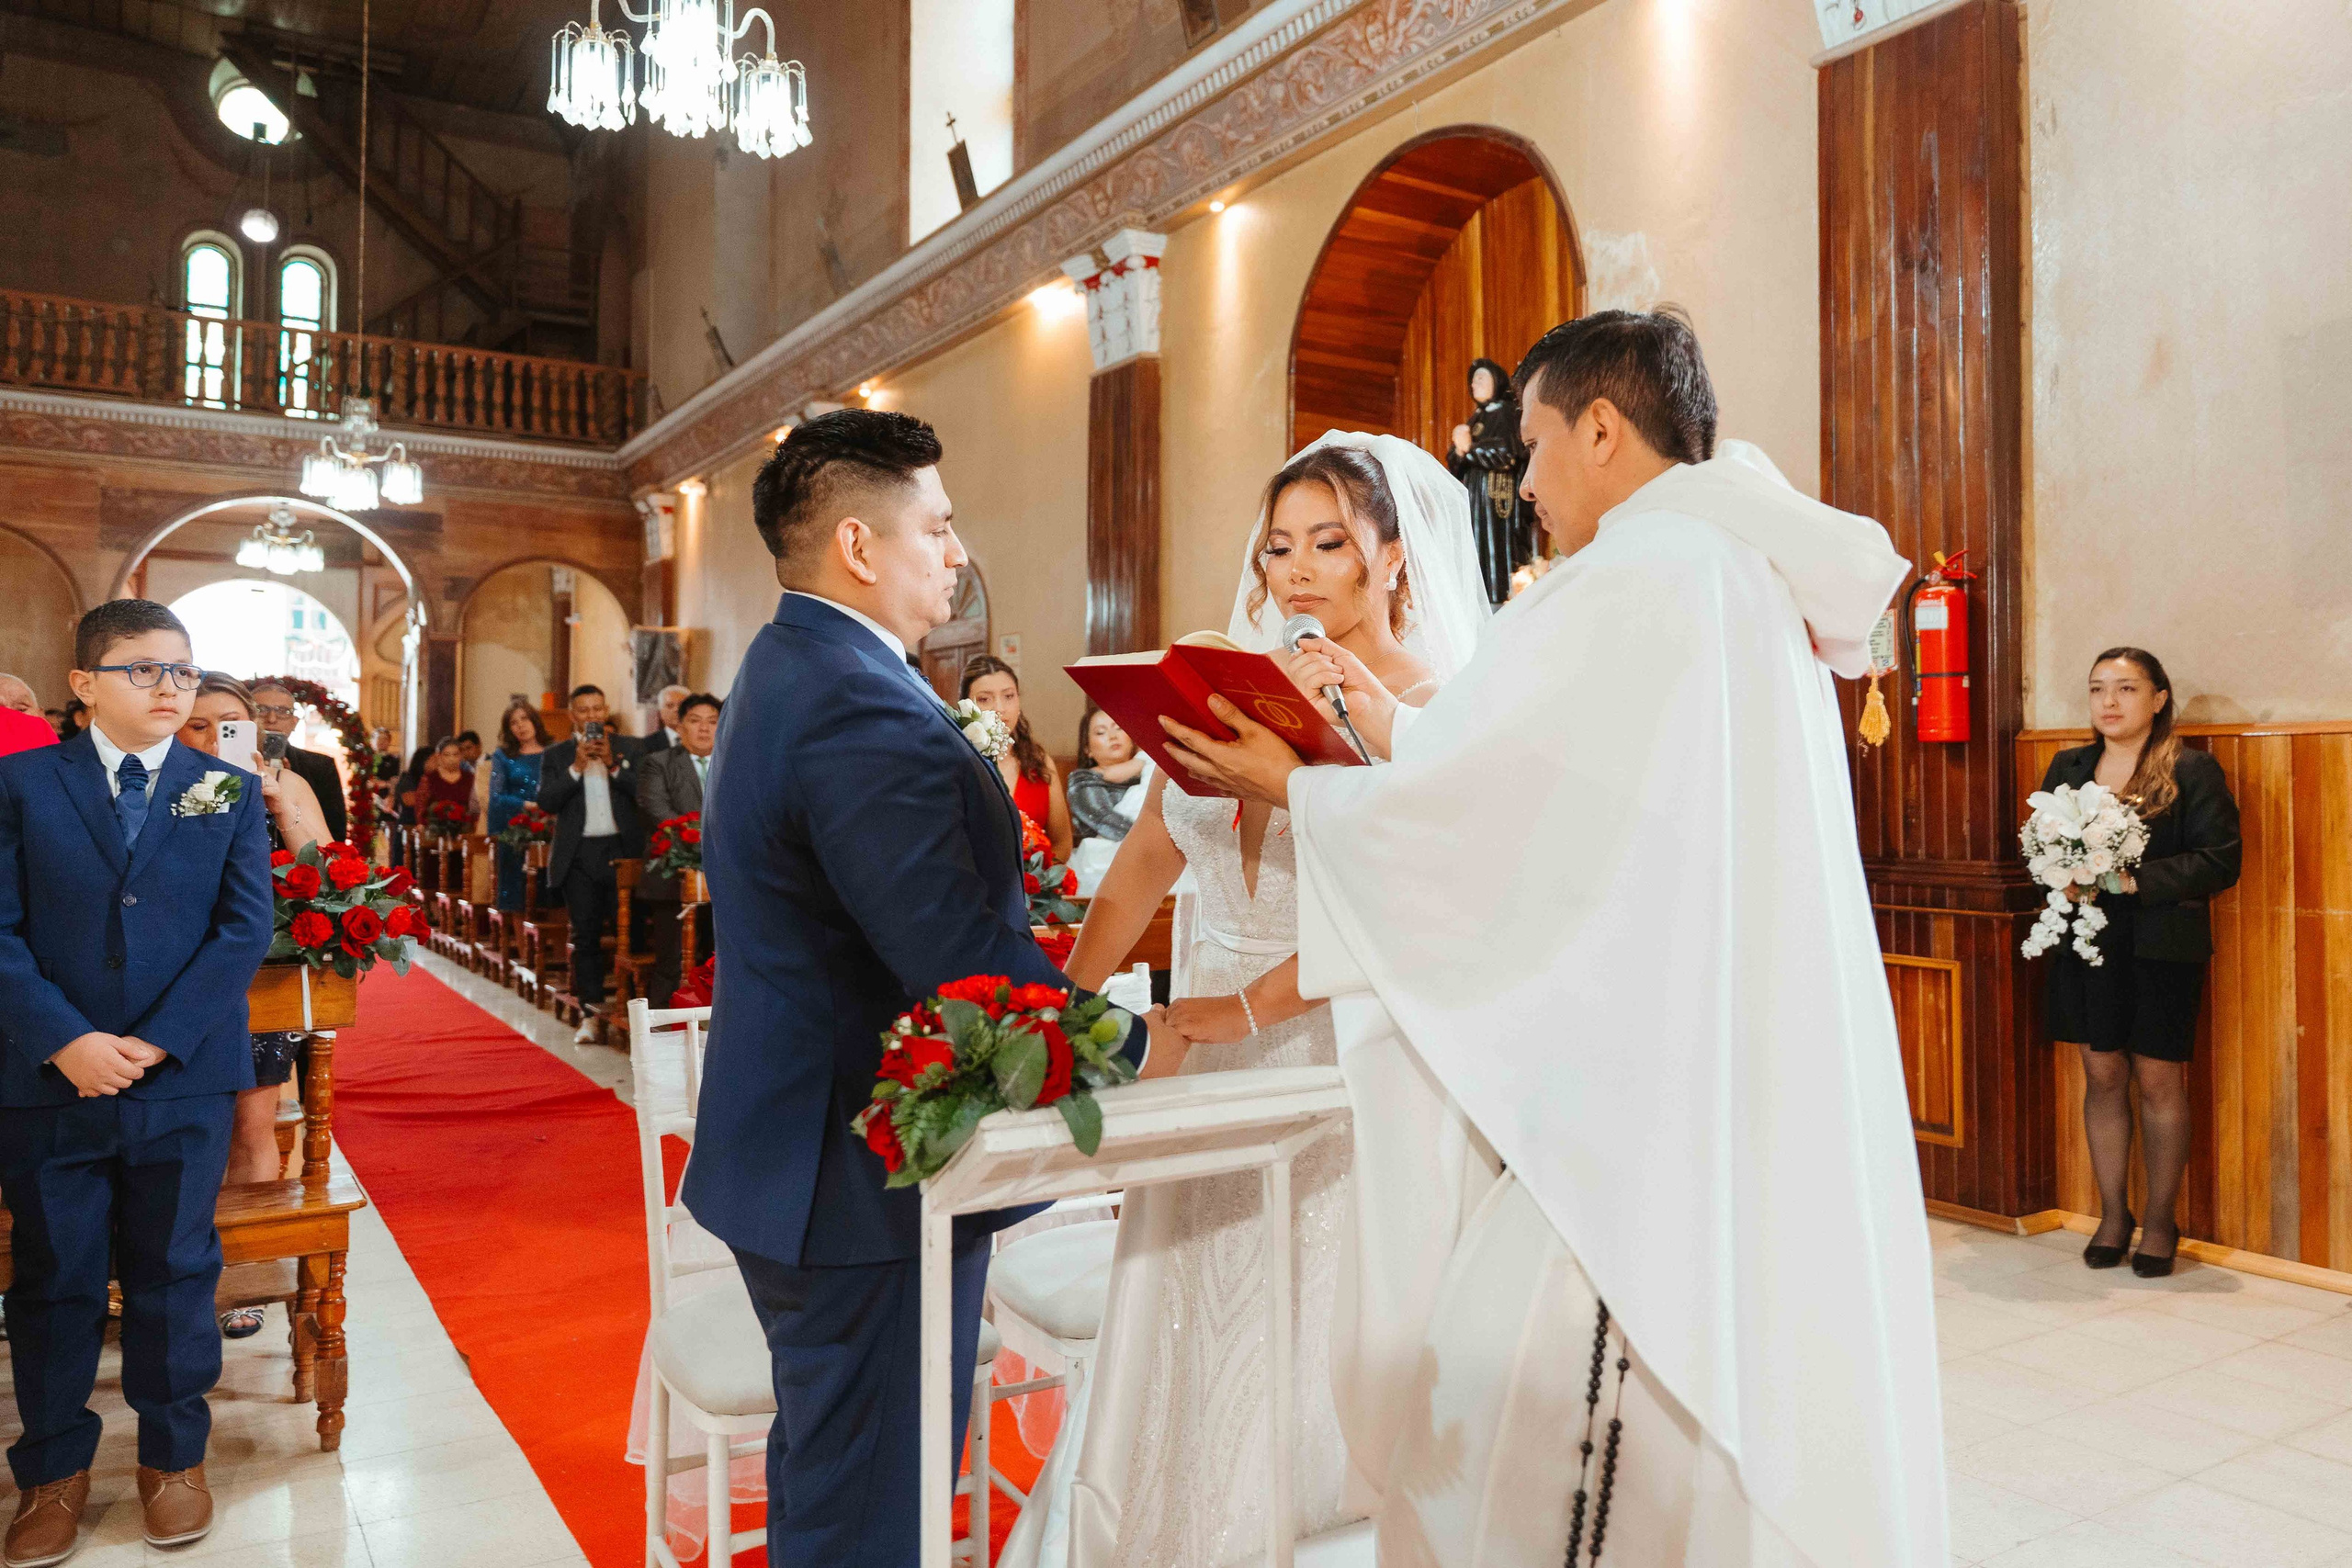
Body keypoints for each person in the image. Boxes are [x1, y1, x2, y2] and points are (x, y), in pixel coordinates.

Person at [1164, 310, 1946, 1565]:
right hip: (1724, 1057)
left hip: (1634, 1103)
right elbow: (1569, 800)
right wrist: (1395, 733)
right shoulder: (1731, 568)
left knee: (1515, 1416)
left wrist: (1294, 788)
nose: (1519, 484)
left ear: (1599, 425)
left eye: (1529, 445)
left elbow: (1490, 830)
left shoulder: (1634, 576)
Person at [677, 408, 1152, 1568]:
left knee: (835, 1480)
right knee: (873, 1511)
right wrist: (1139, 1047)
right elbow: (951, 951)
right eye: (936, 528)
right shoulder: (852, 697)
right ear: (857, 543)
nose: (955, 550)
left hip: (802, 1152)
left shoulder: (794, 663)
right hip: (855, 1174)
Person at [1038, 434, 1489, 1568]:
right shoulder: (1223, 679)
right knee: (1179, 1305)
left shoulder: (1435, 710)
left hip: (1336, 1061)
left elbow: (1402, 908)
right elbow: (1149, 851)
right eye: (1280, 544)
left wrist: (1232, 1014)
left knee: (1305, 1322)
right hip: (1198, 1048)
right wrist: (1056, 1005)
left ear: (1391, 560)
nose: (1295, 569)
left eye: (1330, 544)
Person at [0, 601, 273, 1562]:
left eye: (184, 673)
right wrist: (65, 1038)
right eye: (145, 670)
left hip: (181, 1080)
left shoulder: (221, 791)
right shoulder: (20, 784)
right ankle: (52, 1474)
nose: (170, 689)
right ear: (83, 686)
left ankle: (173, 1460)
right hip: (50, 1078)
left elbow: (242, 930)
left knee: (172, 1272)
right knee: (56, 1280)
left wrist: (155, 1043)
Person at [2043, 648, 2240, 1279]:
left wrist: (2132, 881)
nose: (2110, 700)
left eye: (2127, 688)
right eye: (2099, 687)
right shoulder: (2069, 767)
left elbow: (2220, 860)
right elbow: (2039, 844)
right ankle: (2112, 1215)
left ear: (2158, 698)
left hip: (2161, 943)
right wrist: (2060, 874)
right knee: (2101, 1072)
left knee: (2158, 1079)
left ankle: (2159, 1221)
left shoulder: (2190, 768)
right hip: (2088, 939)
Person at [176, 673, 332, 1340]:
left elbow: (324, 870)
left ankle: (242, 1274)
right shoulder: (166, 783)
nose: (215, 737)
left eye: (230, 723)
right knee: (180, 1135)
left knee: (252, 1123)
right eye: (199, 724)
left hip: (265, 979)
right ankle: (171, 1271)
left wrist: (272, 799)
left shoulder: (286, 780)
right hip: (181, 981)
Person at [537, 684, 644, 1044]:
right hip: (579, 854)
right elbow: (547, 802)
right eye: (584, 710)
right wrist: (576, 768)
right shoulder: (557, 754)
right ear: (573, 716)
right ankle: (590, 1014)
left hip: (622, 851)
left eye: (597, 708)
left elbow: (644, 793)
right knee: (586, 938)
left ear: (606, 710)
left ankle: (632, 1012)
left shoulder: (630, 747)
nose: (592, 716)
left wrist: (613, 763)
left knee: (632, 937)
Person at [637, 692, 719, 1008]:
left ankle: (711, 1032)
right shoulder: (657, 763)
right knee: (670, 962)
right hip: (672, 880)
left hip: (722, 881)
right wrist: (705, 840)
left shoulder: (733, 764)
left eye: (713, 722)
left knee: (717, 960)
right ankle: (661, 1032)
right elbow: (658, 813)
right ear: (679, 725)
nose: (704, 729)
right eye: (695, 721)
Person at [959, 655, 1071, 860]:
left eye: (1009, 696)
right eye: (985, 699)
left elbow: (1062, 843)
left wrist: (1037, 881)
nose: (1000, 708)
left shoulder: (1039, 762)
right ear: (967, 706)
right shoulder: (956, 763)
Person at [1446, 356, 1532, 605]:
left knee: (1498, 547)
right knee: (1476, 546)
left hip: (1498, 496)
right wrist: (1460, 451)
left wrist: (1470, 448)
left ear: (1496, 381)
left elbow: (1508, 452)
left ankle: (1500, 596)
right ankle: (1479, 598)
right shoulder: (1476, 419)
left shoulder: (1506, 413)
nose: (1475, 384)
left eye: (1481, 378)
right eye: (1473, 381)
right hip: (1476, 497)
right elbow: (1455, 461)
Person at [248, 677, 347, 845]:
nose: (272, 718)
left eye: (282, 711)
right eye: (261, 710)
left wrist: (290, 782)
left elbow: (335, 834)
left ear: (294, 723)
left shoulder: (320, 766)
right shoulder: (230, 762)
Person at [1064, 705, 1148, 895]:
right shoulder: (1083, 779)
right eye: (1101, 732)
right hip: (1105, 865)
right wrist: (1151, 841)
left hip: (1148, 858)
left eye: (1118, 728)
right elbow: (1102, 818)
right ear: (1087, 749)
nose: (1113, 736)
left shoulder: (1150, 771)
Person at [483, 700, 550, 913]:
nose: (521, 726)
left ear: (534, 721)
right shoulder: (503, 756)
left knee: (549, 893)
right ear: (509, 729)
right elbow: (496, 796)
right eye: (514, 723)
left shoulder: (552, 751)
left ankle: (548, 942)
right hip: (516, 828)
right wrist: (526, 805)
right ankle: (521, 944)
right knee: (517, 895)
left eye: (524, 719)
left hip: (549, 825)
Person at [646, 682, 691, 755]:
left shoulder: (708, 743)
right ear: (661, 713)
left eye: (681, 705)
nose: (676, 709)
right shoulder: (646, 745)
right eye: (670, 706)